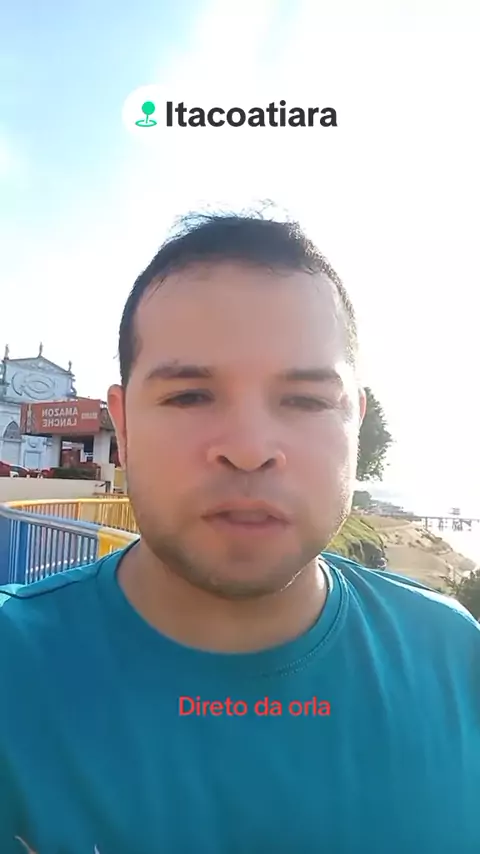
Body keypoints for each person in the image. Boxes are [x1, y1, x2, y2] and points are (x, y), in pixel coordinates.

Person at [0, 213, 479, 854]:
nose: (250, 450)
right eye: (189, 396)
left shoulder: (456, 657)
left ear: (355, 424)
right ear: (124, 424)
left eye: (305, 400)